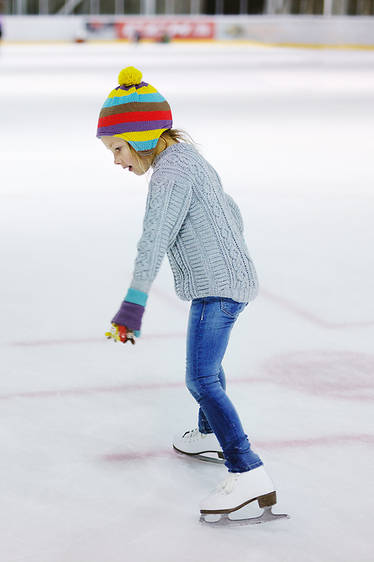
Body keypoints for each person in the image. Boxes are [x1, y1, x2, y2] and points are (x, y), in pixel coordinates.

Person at [97, 67, 287, 526]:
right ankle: (209, 434)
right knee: (210, 371)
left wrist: (133, 303)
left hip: (217, 290)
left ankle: (248, 472)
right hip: (230, 281)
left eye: (118, 148)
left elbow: (153, 238)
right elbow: (230, 209)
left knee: (201, 379)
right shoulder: (188, 158)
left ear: (141, 137)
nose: (117, 160)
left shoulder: (169, 175)